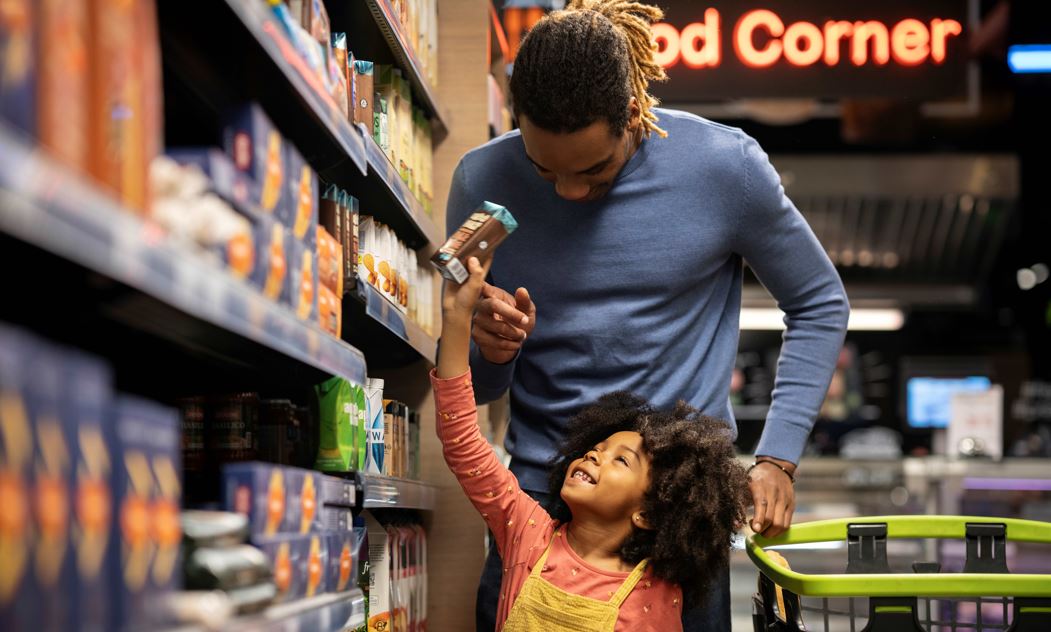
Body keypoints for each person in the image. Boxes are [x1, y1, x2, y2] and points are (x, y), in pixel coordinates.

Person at [445, 0, 850, 628]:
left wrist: (778, 457)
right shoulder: (480, 180)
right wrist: (492, 349)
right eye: (542, 168)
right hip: (536, 515)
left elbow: (819, 302)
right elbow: (482, 382)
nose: (569, 192)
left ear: (634, 113)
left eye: (594, 170)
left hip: (673, 522)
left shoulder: (725, 168)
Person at [433, 256, 750, 631]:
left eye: (621, 461)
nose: (595, 455)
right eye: (596, 449)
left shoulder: (657, 595)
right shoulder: (527, 533)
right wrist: (456, 317)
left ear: (647, 514)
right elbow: (462, 440)